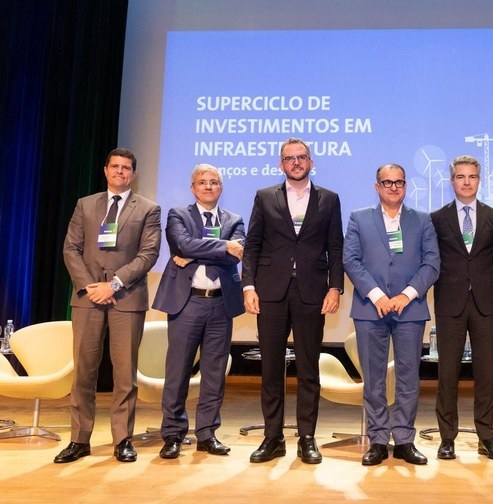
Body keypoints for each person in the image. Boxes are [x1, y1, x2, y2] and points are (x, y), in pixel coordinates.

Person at [242, 137, 344, 465]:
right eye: (289, 158)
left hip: (312, 293)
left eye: (301, 157)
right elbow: (252, 244)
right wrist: (248, 286)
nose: (296, 163)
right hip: (270, 293)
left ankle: (307, 438)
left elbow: (336, 247)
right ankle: (273, 437)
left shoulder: (329, 199)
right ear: (281, 164)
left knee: (308, 368)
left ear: (311, 162)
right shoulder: (264, 196)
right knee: (271, 368)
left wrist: (335, 287)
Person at [58, 148, 161, 463]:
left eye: (126, 167)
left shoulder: (149, 209)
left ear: (133, 173)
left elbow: (148, 254)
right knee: (83, 371)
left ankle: (123, 440)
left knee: (125, 373)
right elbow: (71, 248)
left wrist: (113, 284)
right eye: (115, 166)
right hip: (88, 298)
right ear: (105, 170)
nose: (120, 171)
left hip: (126, 298)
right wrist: (91, 287)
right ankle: (79, 440)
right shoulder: (85, 204)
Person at [343, 163, 440, 466]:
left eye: (399, 182)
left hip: (410, 308)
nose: (394, 187)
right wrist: (377, 296)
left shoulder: (422, 220)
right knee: (373, 379)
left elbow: (432, 263)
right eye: (387, 182)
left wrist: (405, 295)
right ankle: (378, 440)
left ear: (406, 186)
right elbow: (351, 260)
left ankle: (405, 440)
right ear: (377, 187)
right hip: (370, 308)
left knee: (408, 379)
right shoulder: (359, 218)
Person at [152, 163, 245, 459]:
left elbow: (236, 256)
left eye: (214, 182)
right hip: (186, 302)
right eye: (202, 182)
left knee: (214, 373)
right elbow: (181, 244)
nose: (208, 186)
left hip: (221, 303)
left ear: (221, 188)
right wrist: (222, 247)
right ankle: (173, 434)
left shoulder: (235, 220)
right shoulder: (178, 215)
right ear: (193, 188)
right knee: (178, 371)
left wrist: (193, 254)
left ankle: (207, 433)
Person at [429, 155, 493, 461]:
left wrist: (481, 282)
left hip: (485, 303)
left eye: (472, 176)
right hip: (450, 303)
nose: (466, 182)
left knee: (485, 373)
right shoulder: (437, 218)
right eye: (460, 177)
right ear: (452, 181)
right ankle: (447, 437)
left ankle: (486, 437)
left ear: (479, 180)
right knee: (447, 373)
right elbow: (432, 259)